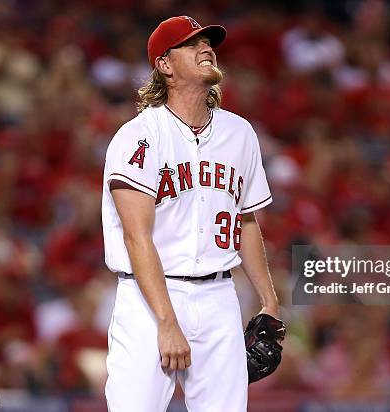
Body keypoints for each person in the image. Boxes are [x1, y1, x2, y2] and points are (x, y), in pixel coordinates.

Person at [101, 16, 280, 412]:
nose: (206, 47)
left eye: (208, 41)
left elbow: (246, 221)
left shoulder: (240, 134)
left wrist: (269, 300)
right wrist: (167, 321)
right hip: (149, 299)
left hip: (218, 296)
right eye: (191, 43)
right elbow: (136, 237)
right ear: (164, 64)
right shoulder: (139, 136)